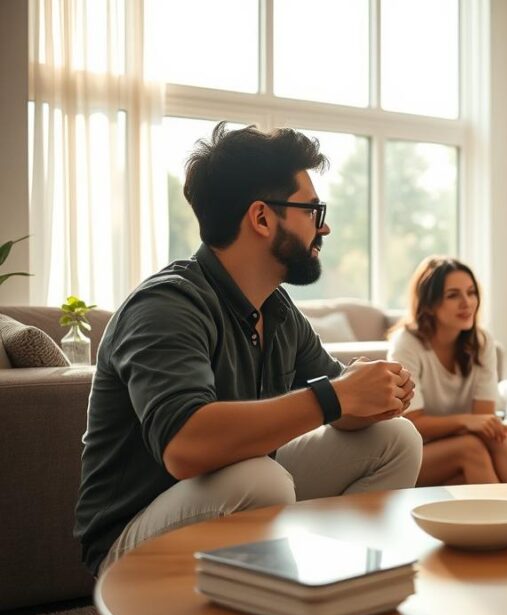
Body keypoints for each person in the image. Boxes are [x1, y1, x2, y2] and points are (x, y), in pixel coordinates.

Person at [74, 123, 422, 576]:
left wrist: (377, 394)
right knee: (261, 480)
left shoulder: (277, 310)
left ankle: (344, 583)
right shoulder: (166, 306)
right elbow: (185, 445)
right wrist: (336, 397)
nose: (325, 226)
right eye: (312, 211)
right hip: (131, 539)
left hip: (233, 494)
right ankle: (259, 612)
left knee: (395, 440)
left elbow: (341, 403)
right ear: (261, 218)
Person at [388, 256, 507, 485]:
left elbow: (484, 420)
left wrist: (472, 423)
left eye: (471, 292)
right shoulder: (406, 343)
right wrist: (466, 422)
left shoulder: (482, 341)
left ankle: (469, 486)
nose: (467, 303)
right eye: (453, 295)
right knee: (472, 448)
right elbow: (413, 424)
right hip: (415, 452)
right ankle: (504, 516)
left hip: (463, 438)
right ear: (429, 304)